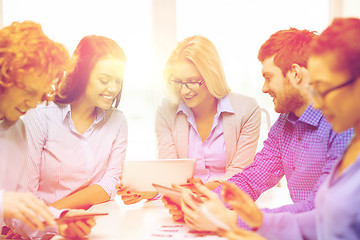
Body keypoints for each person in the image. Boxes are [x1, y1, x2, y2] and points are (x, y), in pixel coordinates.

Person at [165, 28, 354, 224]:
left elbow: (320, 209)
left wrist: (232, 219)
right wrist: (203, 203)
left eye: (269, 77)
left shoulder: (344, 125)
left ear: (295, 73)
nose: (264, 88)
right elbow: (252, 178)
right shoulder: (284, 124)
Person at [118, 35, 261, 205]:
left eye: (192, 81)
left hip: (229, 201)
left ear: (212, 76)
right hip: (183, 202)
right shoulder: (166, 113)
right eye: (178, 81)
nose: (184, 91)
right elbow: (169, 171)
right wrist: (146, 192)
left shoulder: (247, 109)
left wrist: (200, 190)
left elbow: (240, 173)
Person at [0, 21, 94, 239]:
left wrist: (59, 221)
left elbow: (19, 208)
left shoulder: (17, 131)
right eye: (28, 91)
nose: (34, 103)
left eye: (41, 95)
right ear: (4, 76)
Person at [23, 35, 128, 210]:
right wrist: (45, 220)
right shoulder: (41, 116)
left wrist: (50, 212)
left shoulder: (117, 121)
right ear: (81, 75)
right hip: (43, 231)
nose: (113, 88)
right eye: (104, 80)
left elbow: (111, 183)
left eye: (118, 81)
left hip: (92, 224)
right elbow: (26, 191)